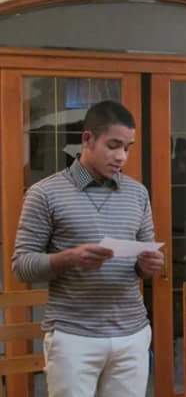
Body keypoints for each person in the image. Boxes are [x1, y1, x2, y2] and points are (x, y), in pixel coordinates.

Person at [12, 100, 164, 397]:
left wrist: (147, 266)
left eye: (128, 148)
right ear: (87, 139)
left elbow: (145, 262)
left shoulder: (137, 193)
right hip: (73, 337)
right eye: (113, 145)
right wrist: (67, 258)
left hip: (132, 334)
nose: (121, 156)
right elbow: (21, 266)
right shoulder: (45, 193)